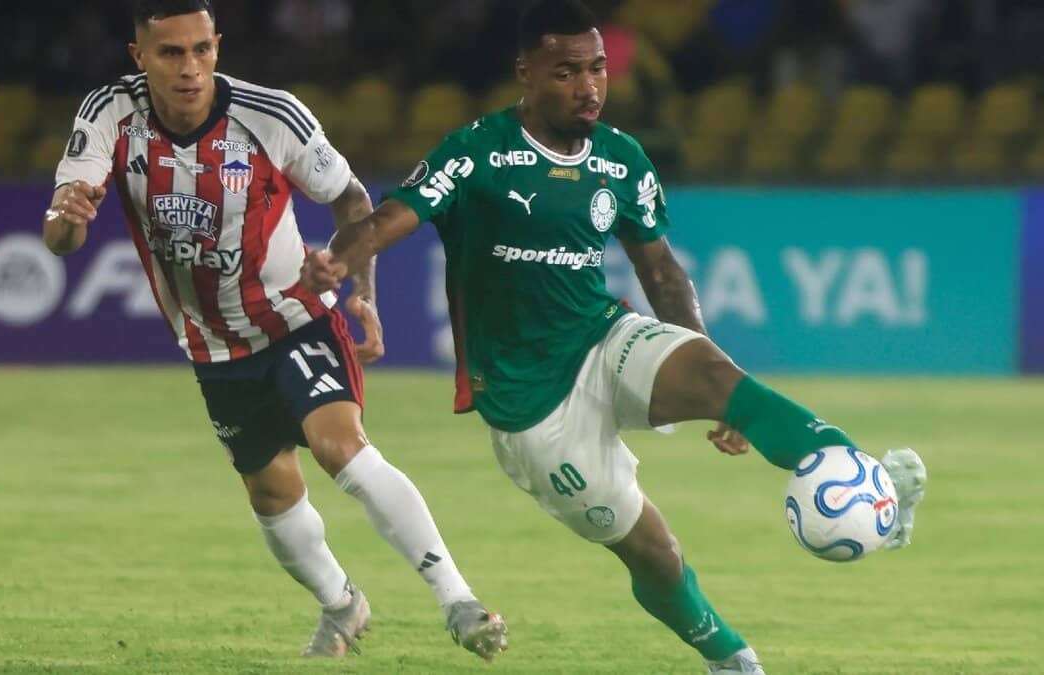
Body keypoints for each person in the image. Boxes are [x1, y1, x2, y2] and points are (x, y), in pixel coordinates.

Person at [300, 1, 927, 672]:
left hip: (601, 338)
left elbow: (660, 270)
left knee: (720, 377)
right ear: (526, 73)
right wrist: (339, 261)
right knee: (654, 552)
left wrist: (715, 384)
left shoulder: (621, 159)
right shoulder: (479, 151)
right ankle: (729, 655)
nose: (589, 86)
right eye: (567, 72)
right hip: (531, 409)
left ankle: (869, 482)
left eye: (597, 68)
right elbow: (389, 218)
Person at [41, 0, 507, 661]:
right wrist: (68, 217)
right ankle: (342, 604)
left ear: (218, 46)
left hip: (295, 317)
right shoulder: (109, 113)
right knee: (271, 493)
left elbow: (352, 199)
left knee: (341, 447)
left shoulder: (270, 115)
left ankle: (459, 601)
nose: (190, 68)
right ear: (139, 57)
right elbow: (61, 238)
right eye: (171, 53)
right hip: (212, 346)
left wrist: (362, 291)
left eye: (201, 49)